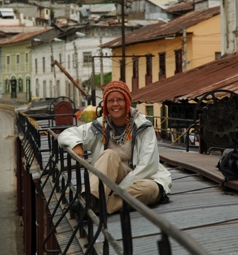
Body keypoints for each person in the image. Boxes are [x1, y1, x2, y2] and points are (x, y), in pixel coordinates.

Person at [57, 81, 172, 214]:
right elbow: (67, 133)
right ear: (106, 105)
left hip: (141, 179)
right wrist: (75, 144)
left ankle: (95, 207)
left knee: (149, 189)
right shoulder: (99, 126)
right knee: (109, 154)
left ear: (127, 102)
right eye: (110, 101)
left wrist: (119, 188)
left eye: (120, 100)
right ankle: (89, 199)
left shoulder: (143, 127)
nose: (115, 104)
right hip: (110, 178)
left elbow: (147, 166)